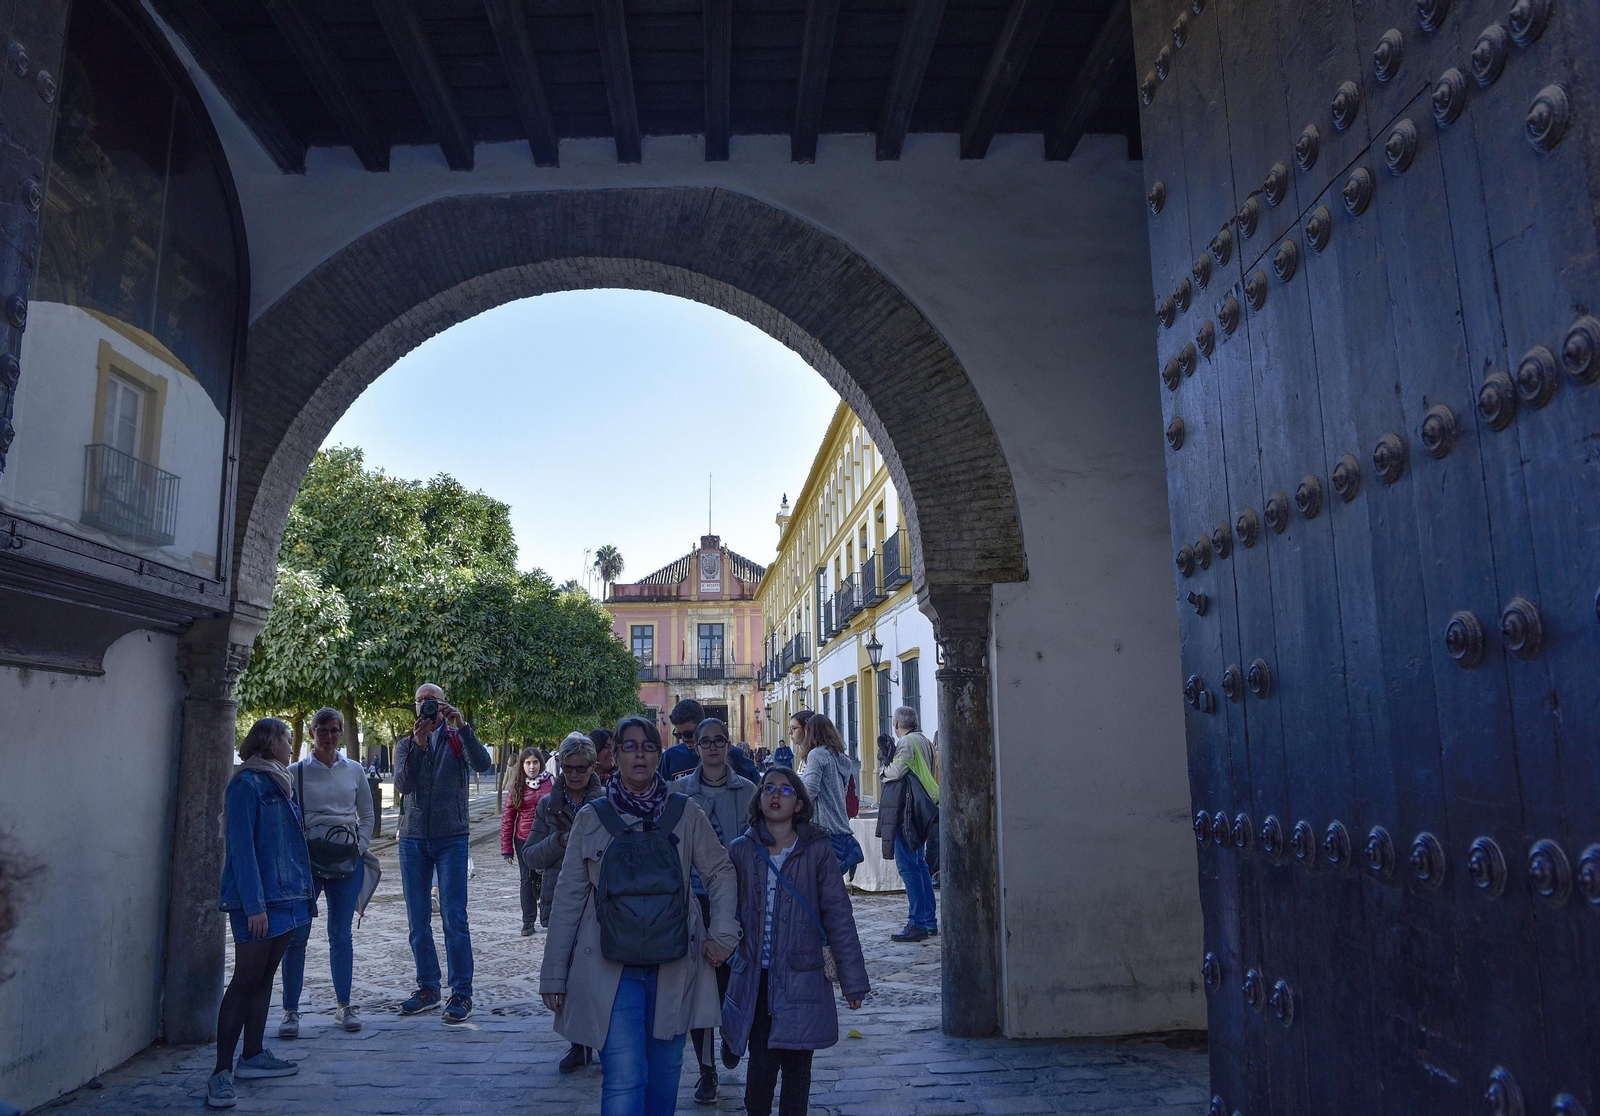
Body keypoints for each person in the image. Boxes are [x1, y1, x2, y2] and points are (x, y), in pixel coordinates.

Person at [540, 716, 740, 1116]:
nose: (640, 755)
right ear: (613, 756)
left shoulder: (686, 813)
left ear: (658, 755)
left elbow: (720, 871)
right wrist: (553, 973)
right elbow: (568, 898)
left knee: (665, 1074)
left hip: (674, 962)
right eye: (629, 746)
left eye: (648, 746)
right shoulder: (592, 818)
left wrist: (722, 934)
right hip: (611, 966)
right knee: (624, 1075)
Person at [722, 768, 869, 1116]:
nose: (776, 795)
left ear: (800, 804)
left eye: (786, 790)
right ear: (758, 799)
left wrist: (853, 982)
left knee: (798, 1070)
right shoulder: (741, 850)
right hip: (756, 978)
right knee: (761, 1064)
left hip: (804, 976)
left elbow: (838, 915)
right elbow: (727, 909)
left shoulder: (817, 850)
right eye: (768, 788)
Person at [210, 718, 312, 1109]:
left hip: (287, 898)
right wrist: (254, 906)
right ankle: (220, 1071)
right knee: (244, 981)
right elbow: (242, 850)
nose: (291, 745)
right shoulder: (245, 785)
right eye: (287, 738)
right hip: (259, 903)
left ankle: (252, 1055)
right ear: (270, 741)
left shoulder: (279, 781)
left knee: (265, 976)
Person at [394, 682, 494, 1024]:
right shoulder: (405, 744)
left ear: (443, 704)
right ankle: (428, 988)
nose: (425, 705)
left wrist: (462, 726)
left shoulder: (457, 739)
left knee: (454, 917)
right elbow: (404, 785)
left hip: (452, 836)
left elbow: (482, 764)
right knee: (418, 920)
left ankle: (461, 993)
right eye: (420, 700)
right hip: (412, 839)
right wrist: (419, 746)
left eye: (431, 700)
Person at [673, 717, 757, 1102]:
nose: (711, 747)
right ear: (696, 747)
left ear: (727, 745)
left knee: (734, 982)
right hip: (693, 902)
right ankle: (707, 1070)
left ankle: (733, 1038)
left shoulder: (748, 792)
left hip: (736, 900)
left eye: (718, 740)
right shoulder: (678, 795)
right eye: (704, 741)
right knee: (699, 987)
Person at [279, 708, 377, 1039]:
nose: (330, 736)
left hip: (346, 860)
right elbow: (287, 818)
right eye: (323, 730)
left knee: (341, 934)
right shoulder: (295, 772)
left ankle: (344, 1005)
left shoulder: (354, 770)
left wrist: (359, 846)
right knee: (297, 936)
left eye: (335, 730)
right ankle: (290, 1010)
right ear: (311, 732)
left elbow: (366, 812)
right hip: (309, 862)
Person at [525, 733, 605, 1073]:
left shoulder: (608, 802)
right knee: (569, 976)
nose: (573, 775)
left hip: (599, 900)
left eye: (580, 768)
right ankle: (578, 1044)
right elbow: (530, 855)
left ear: (592, 768)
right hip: (561, 897)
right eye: (568, 768)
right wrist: (560, 840)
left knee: (599, 975)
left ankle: (603, 1041)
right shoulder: (548, 806)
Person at [877, 706, 940, 942]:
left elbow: (898, 770)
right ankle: (928, 920)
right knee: (920, 866)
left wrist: (883, 768)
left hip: (908, 810)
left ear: (896, 724)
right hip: (922, 807)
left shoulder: (906, 742)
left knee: (908, 866)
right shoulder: (923, 739)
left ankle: (917, 922)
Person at [796, 715, 865, 876]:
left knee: (819, 882)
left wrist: (795, 806)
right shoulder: (842, 758)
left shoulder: (817, 755)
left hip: (822, 825)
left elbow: (810, 790)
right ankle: (853, 853)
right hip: (840, 825)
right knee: (831, 884)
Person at [502, 745, 555, 936]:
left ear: (540, 764)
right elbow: (508, 818)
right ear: (522, 765)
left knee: (547, 878)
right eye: (527, 763)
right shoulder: (517, 786)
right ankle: (528, 921)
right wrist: (506, 848)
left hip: (547, 839)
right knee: (527, 880)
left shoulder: (551, 782)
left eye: (534, 763)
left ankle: (548, 918)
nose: (531, 767)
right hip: (523, 839)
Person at [660, 699, 704, 779]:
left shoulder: (725, 754)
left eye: (688, 734)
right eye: (678, 735)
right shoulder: (670, 757)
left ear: (702, 726)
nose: (683, 739)